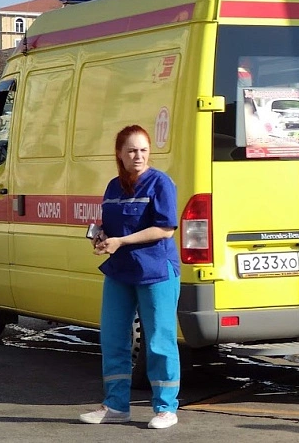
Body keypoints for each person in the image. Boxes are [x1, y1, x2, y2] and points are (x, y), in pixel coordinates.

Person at [79, 124, 181, 430]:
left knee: (159, 341)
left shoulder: (160, 183)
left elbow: (165, 228)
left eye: (143, 150)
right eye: (132, 150)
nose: (138, 156)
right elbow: (111, 227)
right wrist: (101, 237)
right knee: (113, 338)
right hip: (120, 271)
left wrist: (121, 242)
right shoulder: (113, 187)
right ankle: (115, 406)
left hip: (155, 271)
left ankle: (166, 408)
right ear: (120, 155)